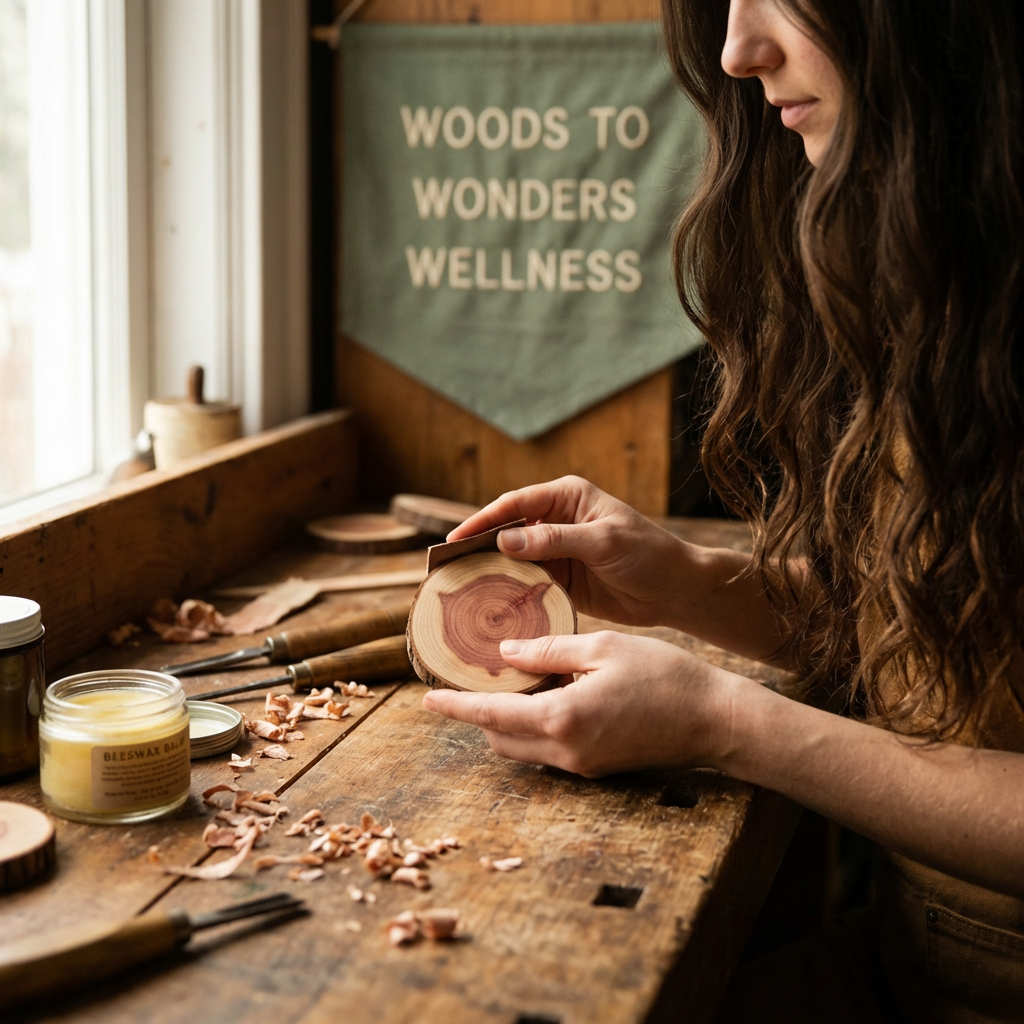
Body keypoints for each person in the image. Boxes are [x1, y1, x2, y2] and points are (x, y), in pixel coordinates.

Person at [422, 1, 1024, 1021]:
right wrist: (685, 582)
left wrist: (724, 722)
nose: (738, 51)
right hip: (910, 962)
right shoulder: (955, 274)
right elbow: (950, 636)